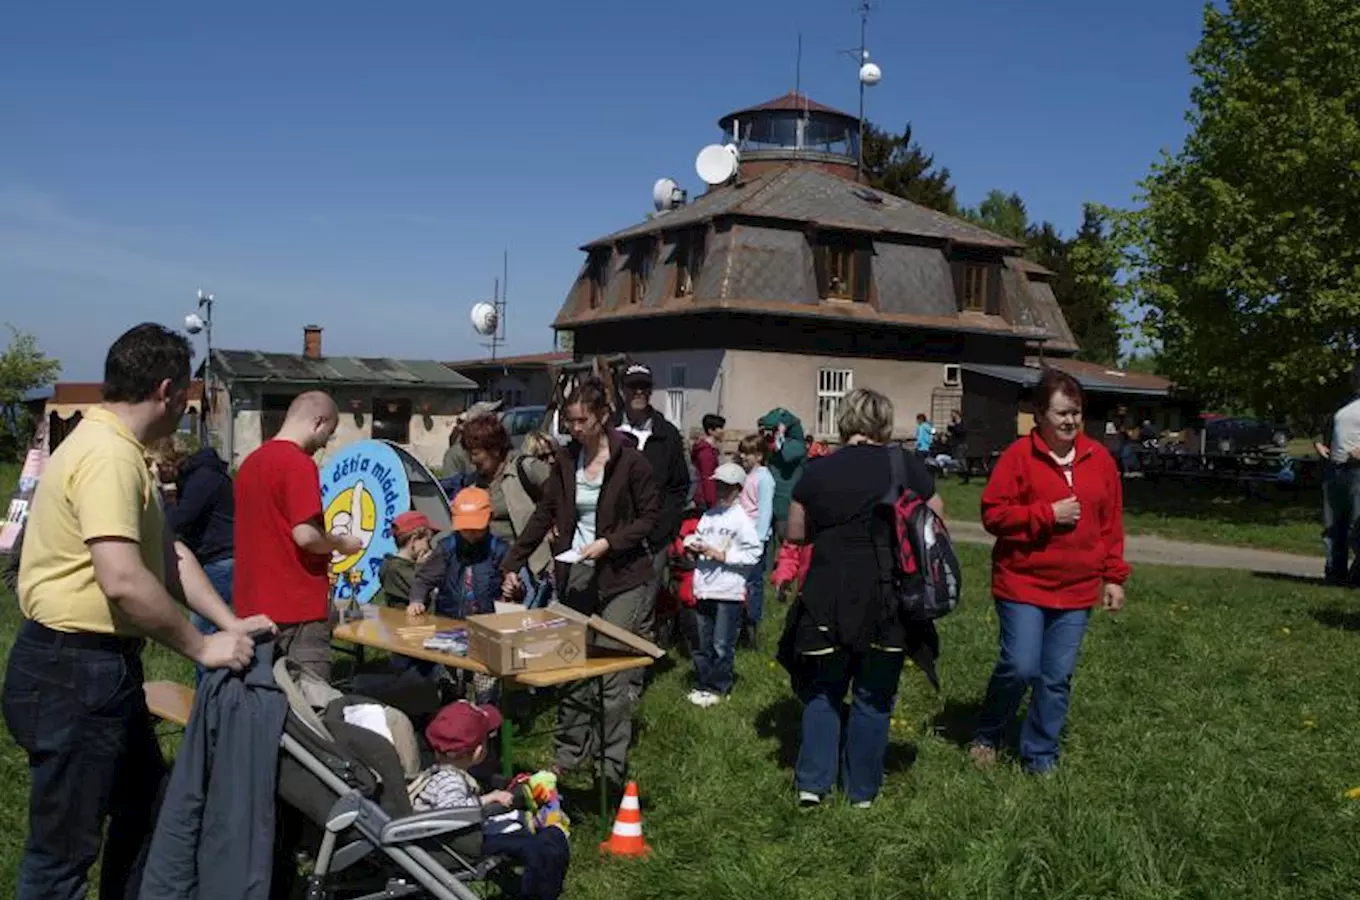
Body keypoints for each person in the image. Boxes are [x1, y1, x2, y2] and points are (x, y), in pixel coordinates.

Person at [2, 323, 271, 900]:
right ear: (167, 390)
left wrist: (229, 625)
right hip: (72, 671)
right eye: (188, 399)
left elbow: (169, 559)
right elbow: (123, 579)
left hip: (96, 673)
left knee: (148, 806)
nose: (186, 411)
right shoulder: (106, 456)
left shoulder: (120, 452)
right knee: (63, 853)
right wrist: (200, 648)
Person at [781, 388, 943, 810]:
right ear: (884, 424)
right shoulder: (904, 465)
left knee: (823, 690)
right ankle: (862, 793)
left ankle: (812, 786)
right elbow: (935, 518)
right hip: (887, 595)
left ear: (845, 421)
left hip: (827, 595)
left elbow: (795, 531)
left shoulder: (818, 470)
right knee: (874, 694)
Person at [970, 368, 1130, 775]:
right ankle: (989, 732)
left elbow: (1110, 524)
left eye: (1075, 413)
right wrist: (1047, 515)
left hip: (1076, 589)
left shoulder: (1100, 461)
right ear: (1039, 414)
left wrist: (1113, 577)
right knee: (1021, 666)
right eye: (1061, 413)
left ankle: (1040, 755)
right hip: (1022, 582)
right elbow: (993, 514)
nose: (1070, 421)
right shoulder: (1017, 458)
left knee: (1056, 678)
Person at [502, 378, 660, 784]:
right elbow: (544, 514)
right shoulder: (567, 461)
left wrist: (608, 542)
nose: (574, 428)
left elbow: (649, 519)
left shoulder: (631, 461)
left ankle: (610, 766)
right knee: (571, 665)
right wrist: (512, 561)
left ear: (603, 415)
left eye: (582, 420)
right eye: (569, 421)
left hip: (623, 575)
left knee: (609, 671)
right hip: (577, 571)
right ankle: (569, 754)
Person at [233, 391, 362, 683]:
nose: (325, 444)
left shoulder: (250, 463)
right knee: (310, 702)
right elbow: (305, 536)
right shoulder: (298, 463)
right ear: (318, 422)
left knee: (261, 696)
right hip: (297, 605)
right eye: (328, 434)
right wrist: (343, 543)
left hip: (252, 604)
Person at [413, 701, 571, 900]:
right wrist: (490, 799)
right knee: (550, 842)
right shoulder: (450, 780)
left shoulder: (436, 773)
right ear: (479, 752)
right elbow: (453, 811)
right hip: (458, 845)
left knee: (520, 819)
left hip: (442, 839)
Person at [615, 363, 691, 630]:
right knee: (614, 606)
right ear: (622, 390)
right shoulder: (607, 430)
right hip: (613, 535)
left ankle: (640, 667)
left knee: (645, 607)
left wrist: (664, 529)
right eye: (632, 386)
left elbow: (679, 486)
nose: (638, 392)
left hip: (653, 537)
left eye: (644, 387)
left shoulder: (667, 434)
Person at [451, 415, 554, 606]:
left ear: (496, 450)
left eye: (476, 453)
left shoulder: (525, 468)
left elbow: (559, 495)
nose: (472, 461)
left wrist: (554, 526)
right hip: (488, 566)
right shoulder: (472, 482)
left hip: (526, 564)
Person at [687, 463, 763, 707]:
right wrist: (692, 547)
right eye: (718, 485)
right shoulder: (709, 515)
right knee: (702, 639)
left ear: (738, 489)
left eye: (727, 487)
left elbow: (754, 553)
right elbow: (697, 537)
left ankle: (720, 686)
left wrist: (724, 556)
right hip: (705, 586)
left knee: (722, 643)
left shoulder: (741, 519)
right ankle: (703, 682)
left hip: (728, 589)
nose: (721, 491)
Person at [167, 441, 237, 685]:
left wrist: (162, 494)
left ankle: (207, 698)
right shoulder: (206, 475)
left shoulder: (203, 480)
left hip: (219, 560)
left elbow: (175, 522)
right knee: (214, 631)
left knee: (203, 637)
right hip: (218, 557)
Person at [410, 487, 513, 620]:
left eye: (476, 528)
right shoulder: (447, 548)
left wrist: (513, 589)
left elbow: (514, 587)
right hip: (448, 620)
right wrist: (417, 600)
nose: (470, 533)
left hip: (488, 621)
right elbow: (424, 579)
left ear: (489, 519)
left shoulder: (499, 550)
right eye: (465, 528)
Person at [1322, 368, 1360, 584]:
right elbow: (1331, 429)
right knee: (1333, 525)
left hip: (1357, 470)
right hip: (1335, 468)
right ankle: (1335, 573)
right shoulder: (1346, 404)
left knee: (1358, 526)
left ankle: (1356, 576)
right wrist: (1323, 444)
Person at [737, 433, 775, 644]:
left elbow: (765, 510)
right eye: (742, 452)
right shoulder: (748, 475)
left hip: (755, 538)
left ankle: (752, 623)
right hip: (743, 534)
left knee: (754, 582)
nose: (743, 456)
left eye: (748, 453)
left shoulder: (764, 478)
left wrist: (759, 540)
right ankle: (742, 621)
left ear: (759, 456)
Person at [756, 407, 808, 544]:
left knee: (786, 549)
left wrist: (780, 436)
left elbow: (787, 455)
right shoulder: (773, 446)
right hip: (770, 505)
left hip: (786, 508)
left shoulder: (796, 446)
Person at [377, 511, 435, 608]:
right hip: (402, 621)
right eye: (427, 541)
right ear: (414, 540)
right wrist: (422, 567)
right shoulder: (395, 568)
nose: (429, 548)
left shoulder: (401, 565)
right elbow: (420, 590)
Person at [690, 414, 726, 511]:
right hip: (705, 497)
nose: (723, 431)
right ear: (711, 431)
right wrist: (712, 501)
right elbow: (707, 477)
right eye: (720, 428)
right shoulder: (706, 452)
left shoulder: (711, 449)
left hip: (705, 495)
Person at [946, 409, 970, 482]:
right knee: (958, 460)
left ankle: (966, 476)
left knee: (962, 460)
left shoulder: (962, 423)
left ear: (957, 414)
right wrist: (949, 426)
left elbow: (961, 431)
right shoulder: (953, 422)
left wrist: (954, 426)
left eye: (952, 414)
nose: (951, 415)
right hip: (955, 443)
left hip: (961, 444)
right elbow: (950, 431)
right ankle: (961, 476)